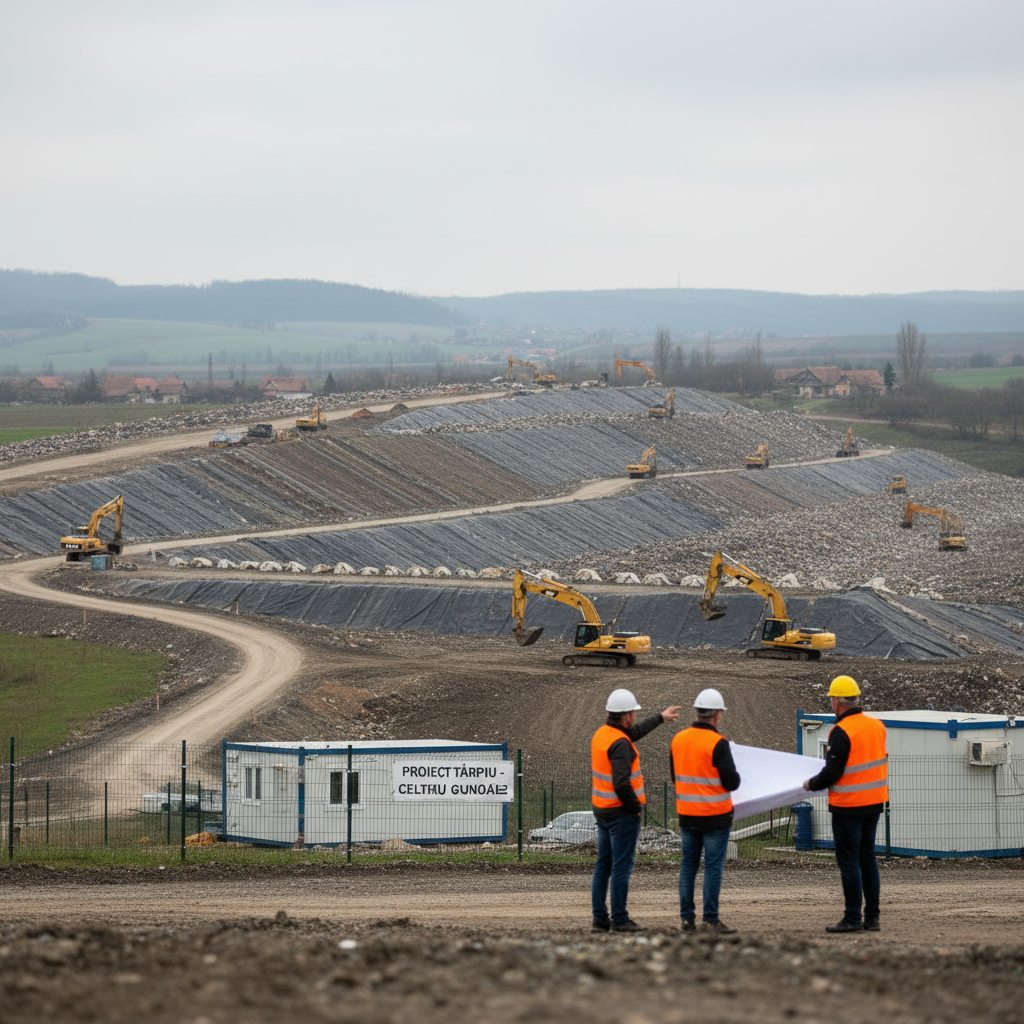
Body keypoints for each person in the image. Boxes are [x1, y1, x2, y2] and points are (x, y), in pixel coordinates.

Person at [591, 688, 681, 932]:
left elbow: (631, 734)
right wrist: (635, 809)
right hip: (621, 814)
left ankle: (600, 919)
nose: (634, 717)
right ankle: (619, 919)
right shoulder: (620, 744)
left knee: (604, 866)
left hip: (602, 810)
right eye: (633, 713)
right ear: (627, 715)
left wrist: (660, 718)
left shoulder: (603, 734)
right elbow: (621, 782)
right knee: (621, 868)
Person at [803, 675, 888, 933]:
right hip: (874, 803)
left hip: (848, 806)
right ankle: (872, 917)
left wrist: (810, 784)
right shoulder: (877, 726)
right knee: (867, 858)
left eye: (831, 699)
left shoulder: (840, 732)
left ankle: (852, 918)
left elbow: (832, 773)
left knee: (849, 862)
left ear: (837, 702)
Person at [671, 688, 741, 934]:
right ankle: (710, 919)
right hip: (715, 817)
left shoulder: (678, 740)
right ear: (717, 714)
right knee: (712, 867)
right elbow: (732, 782)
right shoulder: (718, 743)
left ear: (698, 712)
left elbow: (675, 777)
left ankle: (686, 920)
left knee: (688, 865)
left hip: (687, 815)